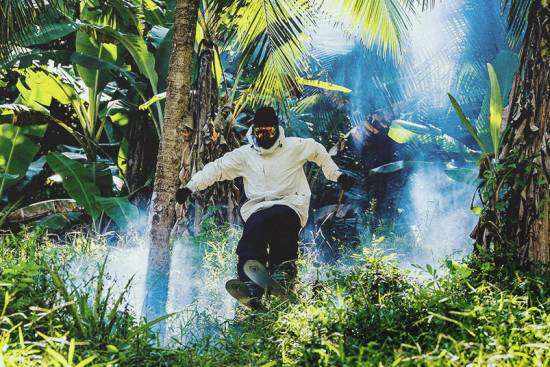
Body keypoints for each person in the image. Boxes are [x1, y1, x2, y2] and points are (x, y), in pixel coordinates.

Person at [175, 106, 353, 302]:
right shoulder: (245, 155)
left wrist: (337, 175)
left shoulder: (295, 147)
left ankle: (283, 271)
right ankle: (250, 282)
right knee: (254, 228)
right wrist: (190, 187)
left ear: (277, 130)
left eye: (269, 131)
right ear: (253, 131)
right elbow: (216, 169)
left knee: (281, 220)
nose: (265, 136)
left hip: (290, 203)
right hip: (259, 207)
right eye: (260, 132)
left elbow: (319, 152)